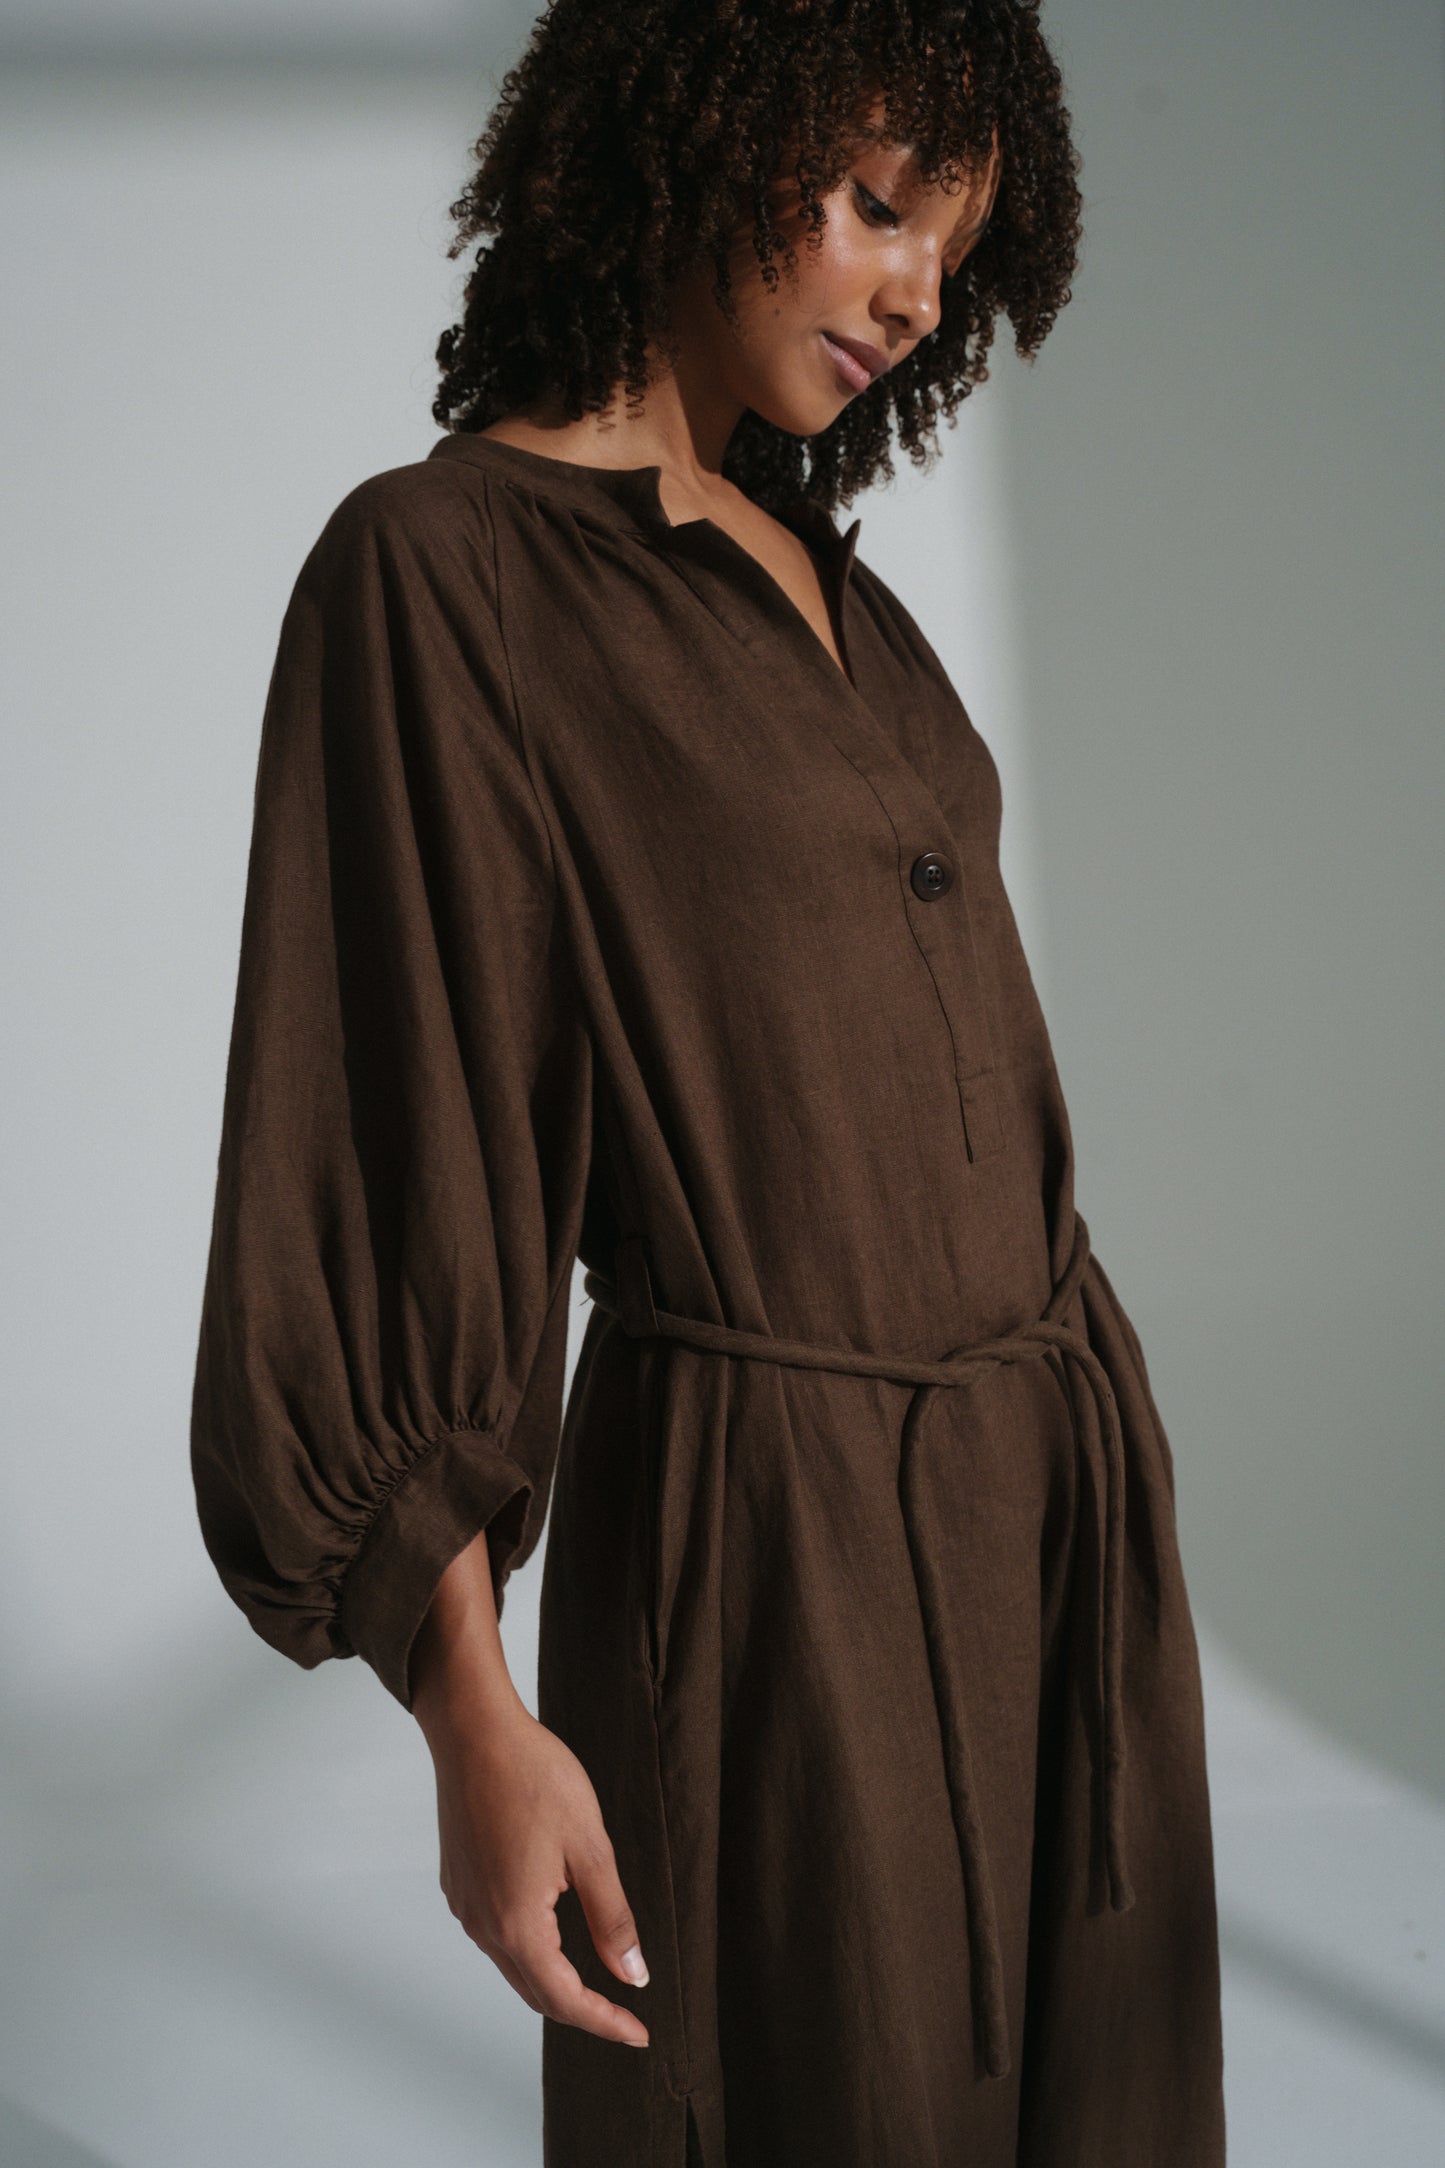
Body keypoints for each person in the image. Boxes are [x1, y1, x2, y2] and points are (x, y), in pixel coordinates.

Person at [189, 2, 1227, 2162]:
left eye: (952, 243)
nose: (920, 290)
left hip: (1056, 1522)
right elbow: (394, 1147)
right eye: (872, 204)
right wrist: (476, 1712)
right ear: (700, 125)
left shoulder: (813, 581)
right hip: (776, 1585)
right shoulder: (442, 572)